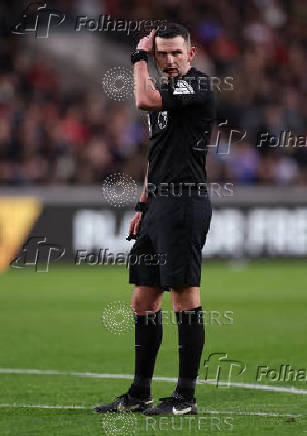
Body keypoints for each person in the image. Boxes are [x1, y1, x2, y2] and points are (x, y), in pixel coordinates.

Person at [94, 22, 215, 416]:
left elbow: (143, 101)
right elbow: (157, 154)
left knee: (184, 297)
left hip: (184, 203)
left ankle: (184, 399)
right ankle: (140, 393)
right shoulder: (164, 92)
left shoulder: (196, 86)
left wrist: (138, 58)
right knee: (143, 299)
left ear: (190, 54)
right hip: (158, 205)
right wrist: (143, 205)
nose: (170, 59)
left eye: (176, 52)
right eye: (162, 53)